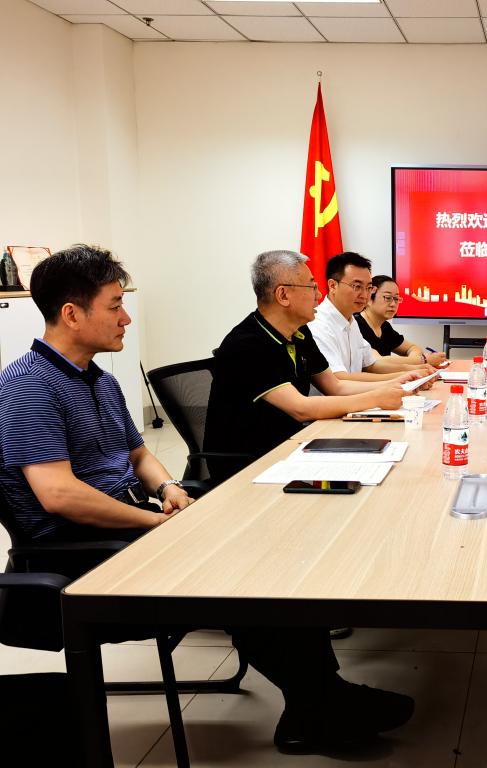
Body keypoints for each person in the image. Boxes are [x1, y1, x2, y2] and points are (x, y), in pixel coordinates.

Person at [0, 246, 414, 755]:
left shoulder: (99, 379)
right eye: (115, 306)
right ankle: (319, 707)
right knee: (243, 573)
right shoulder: (28, 385)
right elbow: (58, 494)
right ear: (71, 314)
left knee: (274, 560)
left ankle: (321, 698)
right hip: (79, 552)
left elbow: (138, 454)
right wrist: (152, 523)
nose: (127, 318)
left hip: (126, 527)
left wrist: (167, 489)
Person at [204, 250, 410, 483]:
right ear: (283, 295)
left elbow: (336, 386)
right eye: (312, 287)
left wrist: (393, 387)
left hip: (290, 447)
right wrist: (375, 398)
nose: (319, 295)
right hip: (248, 465)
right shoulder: (248, 343)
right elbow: (301, 408)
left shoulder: (299, 333)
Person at [309, 252, 433, 381]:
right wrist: (403, 377)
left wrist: (416, 370)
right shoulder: (318, 324)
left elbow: (371, 365)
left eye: (368, 288)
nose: (364, 295)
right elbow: (339, 378)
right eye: (357, 286)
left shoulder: (351, 321)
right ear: (333, 285)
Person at [356, 274, 447, 367]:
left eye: (396, 299)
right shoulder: (356, 325)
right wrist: (422, 360)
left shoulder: (384, 326)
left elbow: (413, 348)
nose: (393, 304)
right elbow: (376, 361)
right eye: (387, 298)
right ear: (369, 299)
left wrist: (415, 361)